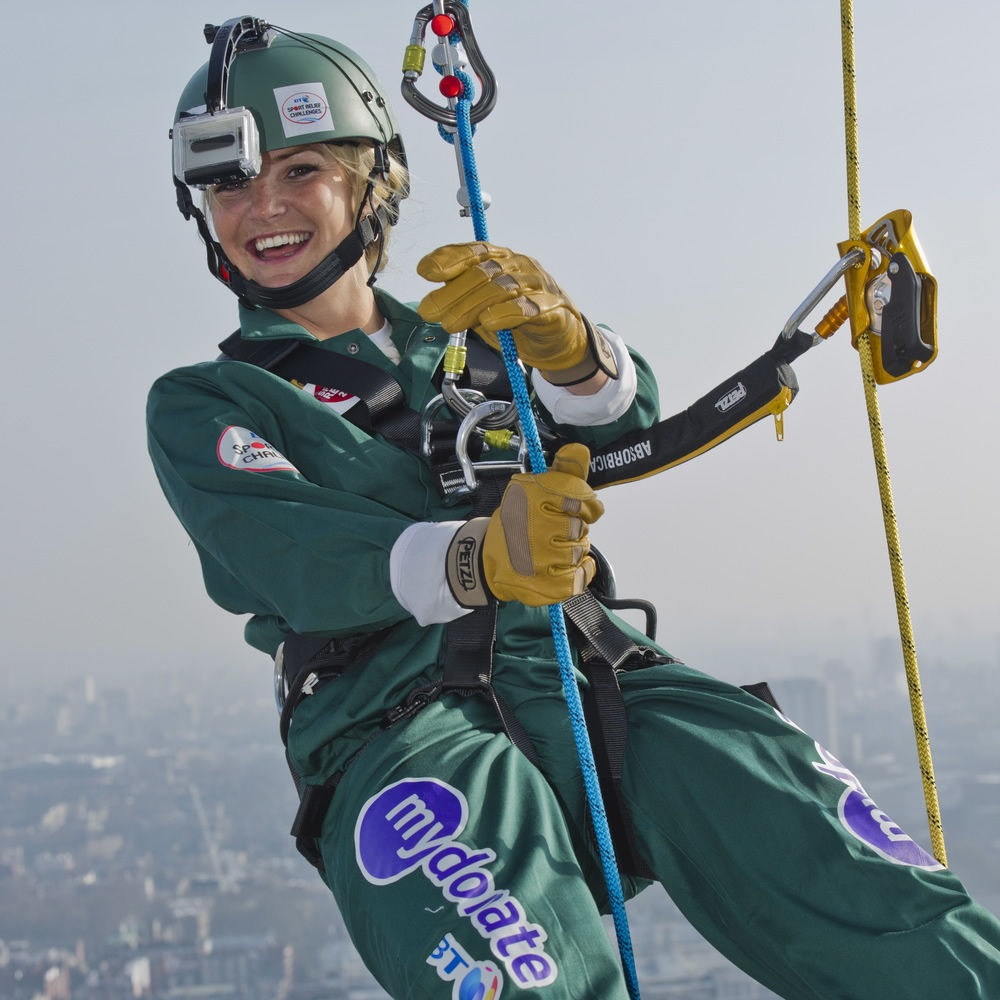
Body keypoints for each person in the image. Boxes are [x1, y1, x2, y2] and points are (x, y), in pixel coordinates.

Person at [148, 17, 1000, 1000]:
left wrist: (567, 347)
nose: (263, 207)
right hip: (393, 718)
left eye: (299, 171)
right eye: (230, 185)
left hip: (581, 667)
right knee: (520, 971)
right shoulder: (212, 401)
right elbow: (284, 548)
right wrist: (477, 558)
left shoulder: (465, 337)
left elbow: (621, 416)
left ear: (371, 180)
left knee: (823, 848)